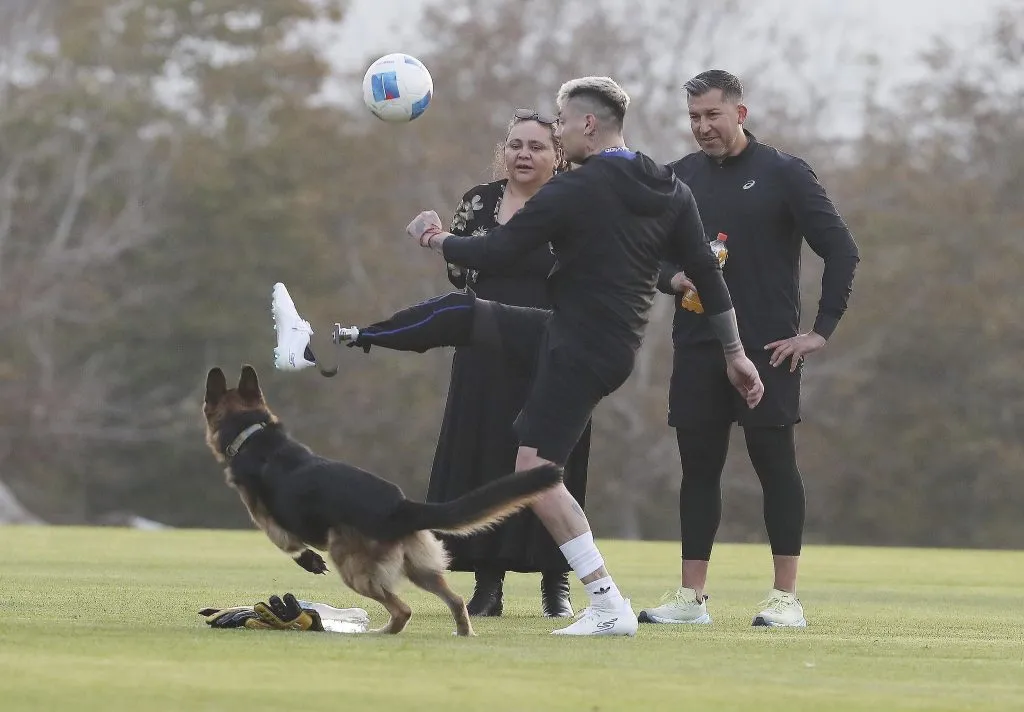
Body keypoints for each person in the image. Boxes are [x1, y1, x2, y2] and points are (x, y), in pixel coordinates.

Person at [273, 75, 765, 637]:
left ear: (586, 125)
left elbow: (499, 247)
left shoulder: (578, 187)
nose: (554, 136)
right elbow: (705, 272)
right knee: (466, 314)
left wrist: (434, 238)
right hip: (588, 338)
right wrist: (736, 352)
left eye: (558, 124)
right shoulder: (671, 187)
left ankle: (607, 603)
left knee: (533, 471)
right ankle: (332, 339)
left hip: (580, 346)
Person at [638, 70, 860, 628]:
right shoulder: (677, 178)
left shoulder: (784, 173)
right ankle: (691, 600)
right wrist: (675, 281)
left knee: (774, 466)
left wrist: (820, 330)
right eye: (693, 117)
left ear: (740, 113)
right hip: (696, 345)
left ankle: (786, 599)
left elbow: (842, 251)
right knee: (698, 470)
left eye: (712, 115)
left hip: (769, 349)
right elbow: (648, 254)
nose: (702, 127)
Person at [429, 109, 589, 618]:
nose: (524, 154)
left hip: (555, 347)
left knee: (551, 463)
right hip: (487, 348)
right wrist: (441, 237)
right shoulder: (480, 200)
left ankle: (555, 583)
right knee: (485, 459)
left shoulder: (577, 203)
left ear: (557, 153)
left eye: (537, 146)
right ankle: (487, 582)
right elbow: (460, 272)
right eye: (516, 144)